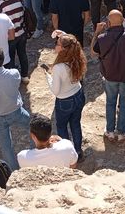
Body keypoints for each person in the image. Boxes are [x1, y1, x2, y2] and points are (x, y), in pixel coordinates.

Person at [91, 10, 125, 141]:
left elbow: (93, 52)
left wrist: (97, 32)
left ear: (108, 22)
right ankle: (121, 131)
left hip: (110, 76)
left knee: (110, 102)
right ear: (123, 21)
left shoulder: (102, 38)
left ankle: (109, 130)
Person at [43, 33, 86, 161]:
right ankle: (78, 152)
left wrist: (47, 75)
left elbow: (55, 91)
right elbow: (71, 41)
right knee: (75, 124)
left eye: (57, 44)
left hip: (64, 101)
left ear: (63, 49)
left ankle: (67, 154)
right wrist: (61, 34)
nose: (55, 46)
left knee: (61, 127)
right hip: (78, 94)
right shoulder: (77, 57)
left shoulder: (59, 67)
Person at [0, 0, 30, 83]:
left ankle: (13, 79)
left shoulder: (1, 4)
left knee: (10, 58)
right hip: (21, 33)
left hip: (9, 36)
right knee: (23, 54)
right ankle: (25, 76)